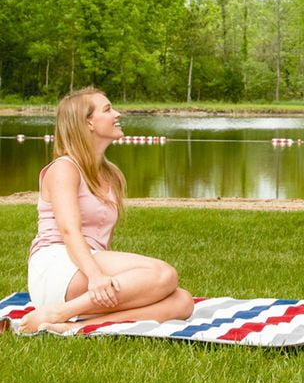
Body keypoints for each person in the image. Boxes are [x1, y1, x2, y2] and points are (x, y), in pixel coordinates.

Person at [18, 88, 194, 334]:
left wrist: (113, 282)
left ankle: (72, 328)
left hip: (88, 265)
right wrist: (96, 276)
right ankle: (58, 311)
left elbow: (102, 240)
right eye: (108, 109)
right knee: (164, 274)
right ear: (88, 122)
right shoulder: (64, 168)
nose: (118, 114)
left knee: (182, 301)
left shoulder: (112, 175)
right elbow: (69, 231)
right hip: (58, 266)